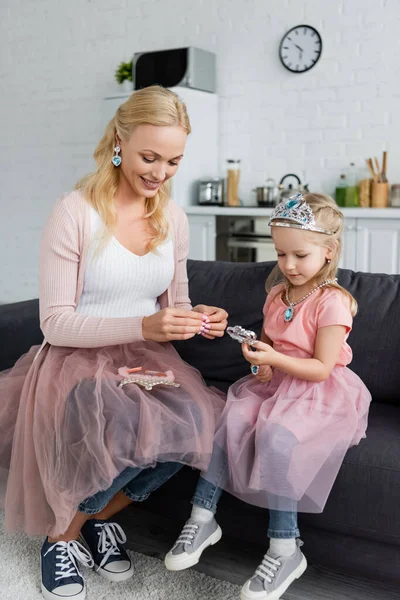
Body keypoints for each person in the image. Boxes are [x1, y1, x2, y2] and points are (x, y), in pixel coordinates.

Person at [0, 85, 228, 600]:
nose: (161, 173)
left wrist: (199, 318)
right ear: (120, 140)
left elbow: (177, 303)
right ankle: (60, 538)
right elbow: (55, 323)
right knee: (123, 418)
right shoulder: (74, 212)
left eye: (173, 161)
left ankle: (97, 518)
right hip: (74, 358)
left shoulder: (172, 218)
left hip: (145, 357)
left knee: (201, 424)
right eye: (150, 157)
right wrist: (144, 327)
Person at [164, 193, 372, 600]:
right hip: (277, 386)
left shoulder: (334, 303)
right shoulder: (277, 296)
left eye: (300, 255)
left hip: (319, 393)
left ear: (328, 252)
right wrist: (260, 361)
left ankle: (285, 547)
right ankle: (202, 517)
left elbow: (321, 368)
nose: (289, 265)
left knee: (276, 437)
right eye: (281, 254)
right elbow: (269, 358)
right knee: (231, 419)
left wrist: (274, 356)